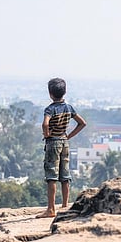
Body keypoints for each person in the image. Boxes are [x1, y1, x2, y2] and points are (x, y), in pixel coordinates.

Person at [36, 77, 87, 218]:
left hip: (53, 143)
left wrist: (47, 135)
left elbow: (45, 124)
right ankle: (65, 206)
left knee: (51, 176)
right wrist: (69, 136)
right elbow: (82, 123)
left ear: (50, 93)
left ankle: (51, 209)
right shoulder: (69, 108)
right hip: (64, 142)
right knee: (65, 175)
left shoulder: (50, 109)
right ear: (64, 92)